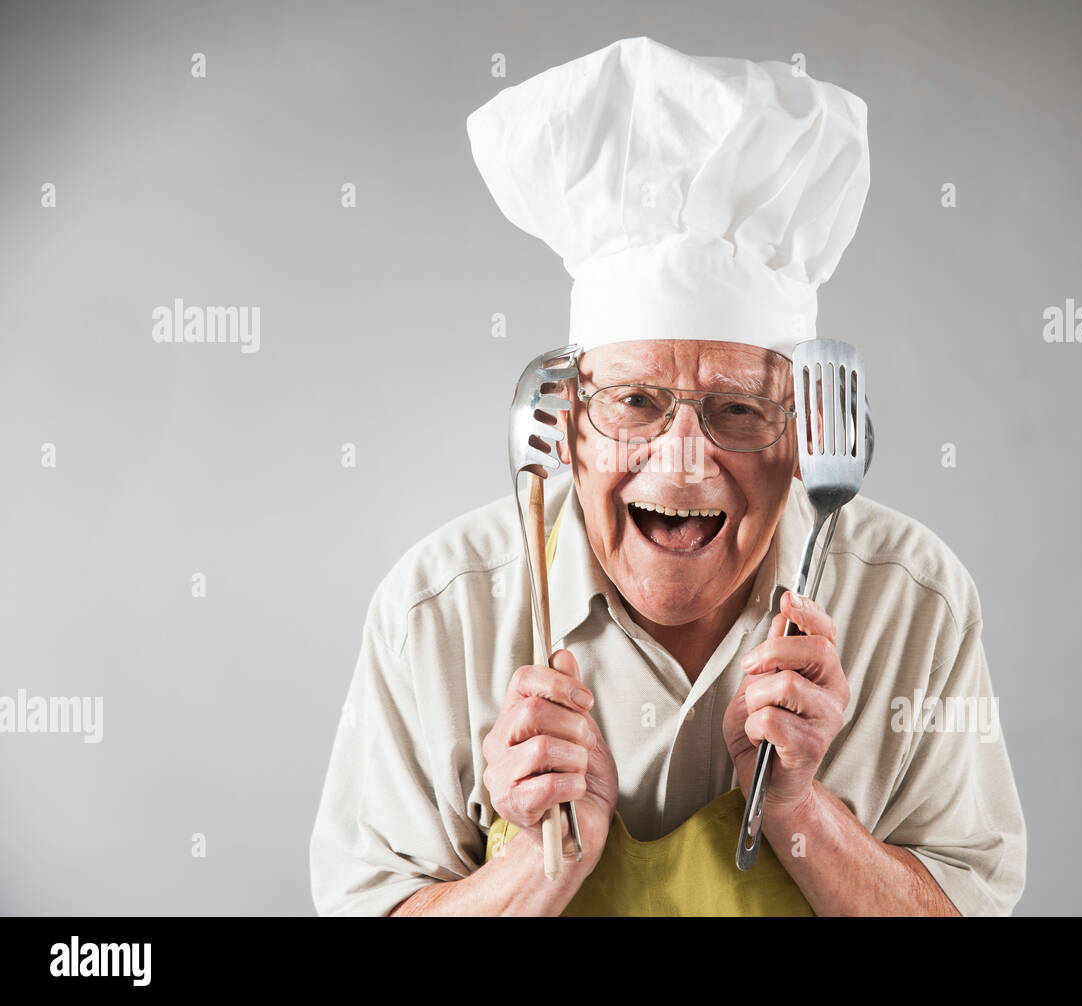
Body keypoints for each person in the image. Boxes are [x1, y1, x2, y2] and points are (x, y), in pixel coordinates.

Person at [309, 36, 1026, 916]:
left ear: (804, 438)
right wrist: (538, 864)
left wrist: (804, 812)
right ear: (567, 428)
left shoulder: (915, 606)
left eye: (735, 410)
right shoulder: (437, 613)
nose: (683, 464)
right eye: (637, 402)